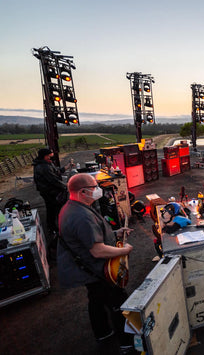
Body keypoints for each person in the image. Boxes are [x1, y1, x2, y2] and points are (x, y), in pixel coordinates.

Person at [57, 173, 135, 353]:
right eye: (94, 187)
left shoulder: (72, 207)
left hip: (87, 270)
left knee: (96, 300)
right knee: (118, 302)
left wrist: (116, 232)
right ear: (83, 192)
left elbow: (87, 237)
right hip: (96, 270)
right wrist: (124, 250)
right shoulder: (81, 216)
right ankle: (127, 343)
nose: (98, 190)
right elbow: (97, 250)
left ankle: (103, 333)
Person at [32, 148, 69, 248]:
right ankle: (55, 230)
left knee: (51, 208)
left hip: (49, 191)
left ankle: (52, 227)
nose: (51, 158)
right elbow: (53, 180)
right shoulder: (43, 167)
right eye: (50, 156)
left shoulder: (46, 164)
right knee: (54, 209)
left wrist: (66, 167)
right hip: (49, 192)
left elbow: (56, 171)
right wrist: (66, 186)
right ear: (45, 156)